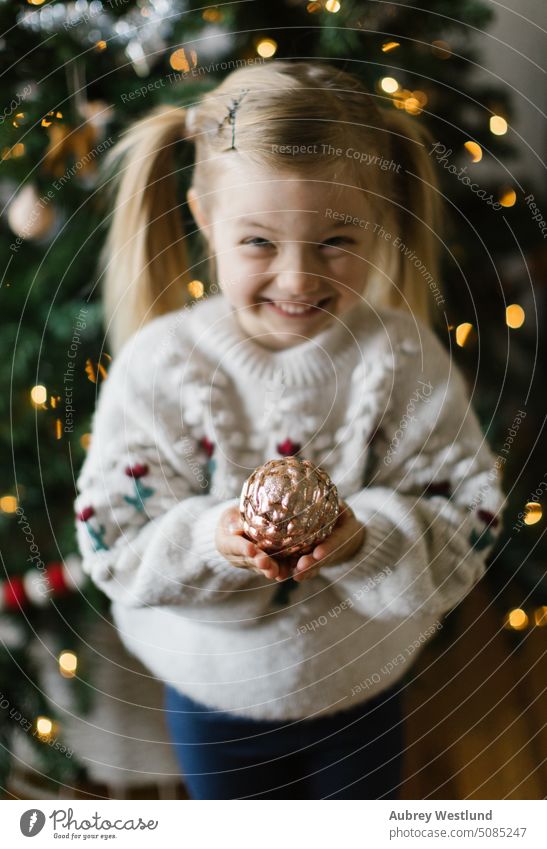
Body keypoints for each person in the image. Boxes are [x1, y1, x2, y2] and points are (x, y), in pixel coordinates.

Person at [74, 60, 505, 799]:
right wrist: (214, 538)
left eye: (337, 239)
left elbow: (469, 512)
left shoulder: (400, 357)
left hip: (360, 685)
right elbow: (111, 537)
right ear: (205, 219)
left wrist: (365, 537)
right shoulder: (162, 365)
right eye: (259, 243)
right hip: (215, 696)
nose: (299, 279)